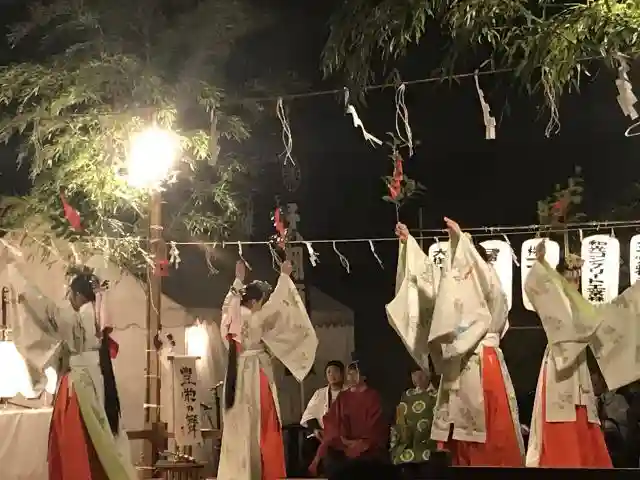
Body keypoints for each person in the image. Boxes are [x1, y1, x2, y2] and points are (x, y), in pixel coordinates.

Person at [387, 220, 524, 466]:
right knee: (457, 431)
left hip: (482, 360)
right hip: (460, 363)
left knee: (487, 429)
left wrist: (460, 240)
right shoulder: (457, 284)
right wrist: (410, 245)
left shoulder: (489, 281)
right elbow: (430, 284)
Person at [5, 258, 136, 479]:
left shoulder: (79, 317)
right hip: (95, 379)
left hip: (79, 385)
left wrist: (19, 281)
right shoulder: (95, 312)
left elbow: (46, 311)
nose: (69, 300)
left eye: (70, 295)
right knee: (101, 439)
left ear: (78, 295)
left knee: (74, 440)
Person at [217, 260, 318, 480]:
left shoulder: (230, 316)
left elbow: (228, 303)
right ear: (254, 301)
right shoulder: (256, 318)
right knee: (264, 422)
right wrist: (284, 276)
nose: (262, 306)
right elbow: (278, 305)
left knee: (238, 425)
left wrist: (238, 279)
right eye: (261, 302)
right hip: (255, 372)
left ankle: (237, 473)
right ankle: (264, 471)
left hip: (236, 373)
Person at [524, 244, 612, 467]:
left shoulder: (579, 304)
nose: (574, 282)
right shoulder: (556, 299)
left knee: (581, 409)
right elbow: (536, 287)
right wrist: (541, 263)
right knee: (560, 410)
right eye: (569, 277)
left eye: (577, 278)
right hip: (558, 359)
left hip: (577, 363)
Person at [309, 361, 388, 477]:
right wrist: (343, 439)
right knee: (330, 456)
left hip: (366, 444)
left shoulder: (373, 396)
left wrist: (361, 442)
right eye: (349, 374)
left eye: (354, 373)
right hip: (342, 443)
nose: (350, 377)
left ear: (363, 376)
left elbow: (377, 423)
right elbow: (332, 420)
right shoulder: (343, 396)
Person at [390, 365, 438, 475]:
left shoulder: (436, 395)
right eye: (414, 374)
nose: (418, 377)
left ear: (429, 374)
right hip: (407, 445)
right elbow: (399, 418)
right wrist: (402, 432)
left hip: (428, 446)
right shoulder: (406, 395)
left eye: (421, 373)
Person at [301, 360, 346, 468]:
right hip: (321, 433)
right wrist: (316, 430)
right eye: (329, 372)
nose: (332, 375)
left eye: (335, 371)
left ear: (342, 374)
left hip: (343, 435)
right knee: (308, 446)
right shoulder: (319, 393)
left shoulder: (349, 392)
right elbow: (309, 414)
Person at [592, 371, 630, 467]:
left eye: (596, 384)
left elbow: (628, 418)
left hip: (619, 446)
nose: (593, 387)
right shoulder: (590, 403)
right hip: (598, 445)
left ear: (603, 382)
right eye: (592, 384)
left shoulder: (618, 399)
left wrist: (610, 414)